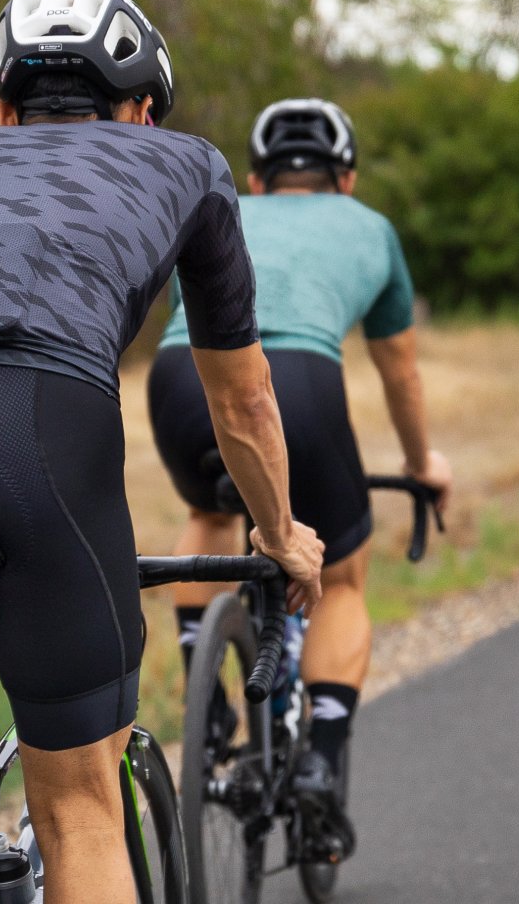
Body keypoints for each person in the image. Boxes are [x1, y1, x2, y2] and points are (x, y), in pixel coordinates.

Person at [0, 0, 325, 902]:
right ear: (142, 111)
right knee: (81, 801)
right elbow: (242, 400)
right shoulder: (187, 164)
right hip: (36, 426)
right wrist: (279, 533)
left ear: (5, 109)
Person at [147, 97, 453, 854]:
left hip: (180, 379)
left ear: (255, 177)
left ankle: (206, 694)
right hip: (301, 384)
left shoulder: (220, 206)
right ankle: (320, 759)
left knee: (211, 517)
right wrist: (422, 466)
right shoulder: (372, 227)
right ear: (345, 178)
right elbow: (402, 373)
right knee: (342, 576)